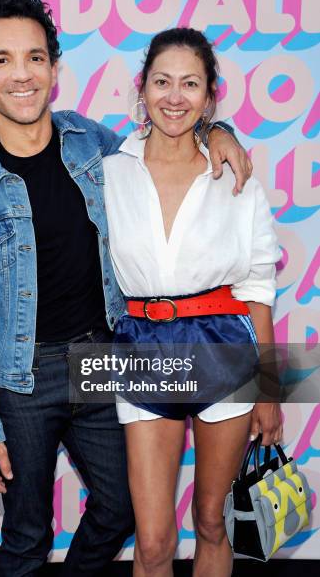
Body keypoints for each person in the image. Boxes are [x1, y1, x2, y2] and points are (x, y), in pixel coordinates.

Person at [0, 0, 253, 577]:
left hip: (107, 359)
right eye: (1, 60)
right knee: (26, 534)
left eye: (33, 58)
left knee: (124, 508)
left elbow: (169, 129)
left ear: (53, 68)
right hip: (19, 376)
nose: (20, 75)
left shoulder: (94, 145)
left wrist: (217, 130)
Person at [103, 28, 283, 577]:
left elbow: (257, 287)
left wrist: (270, 392)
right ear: (142, 87)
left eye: (190, 84)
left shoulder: (235, 174)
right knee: (153, 540)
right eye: (162, 81)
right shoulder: (109, 171)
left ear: (210, 96)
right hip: (141, 347)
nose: (174, 97)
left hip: (224, 346)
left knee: (211, 521)